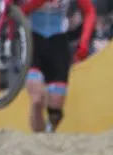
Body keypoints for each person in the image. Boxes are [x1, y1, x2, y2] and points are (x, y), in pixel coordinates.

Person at [20, 0, 96, 133]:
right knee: (37, 99)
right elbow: (19, 12)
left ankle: (49, 136)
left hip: (58, 43)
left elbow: (89, 11)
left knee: (55, 110)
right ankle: (37, 140)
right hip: (33, 40)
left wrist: (84, 41)